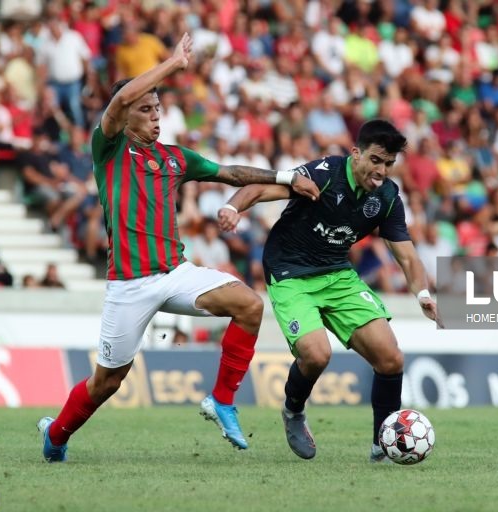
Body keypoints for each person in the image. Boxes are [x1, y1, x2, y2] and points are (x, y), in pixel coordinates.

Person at [37, 33, 319, 463]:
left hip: (175, 273)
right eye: (145, 110)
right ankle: (56, 435)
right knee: (107, 382)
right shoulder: (108, 149)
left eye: (158, 109)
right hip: (129, 285)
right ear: (125, 116)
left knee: (249, 305)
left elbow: (230, 173)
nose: (155, 117)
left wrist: (284, 177)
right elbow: (118, 101)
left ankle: (222, 400)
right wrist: (172, 64)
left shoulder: (174, 158)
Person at [218, 119, 441, 463]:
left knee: (391, 358)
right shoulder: (324, 174)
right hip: (290, 271)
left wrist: (423, 294)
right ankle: (293, 411)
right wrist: (233, 207)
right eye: (376, 160)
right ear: (356, 154)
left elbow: (407, 255)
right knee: (317, 354)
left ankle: (384, 440)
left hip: (337, 273)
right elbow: (265, 187)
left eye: (389, 164)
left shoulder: (386, 196)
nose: (381, 171)